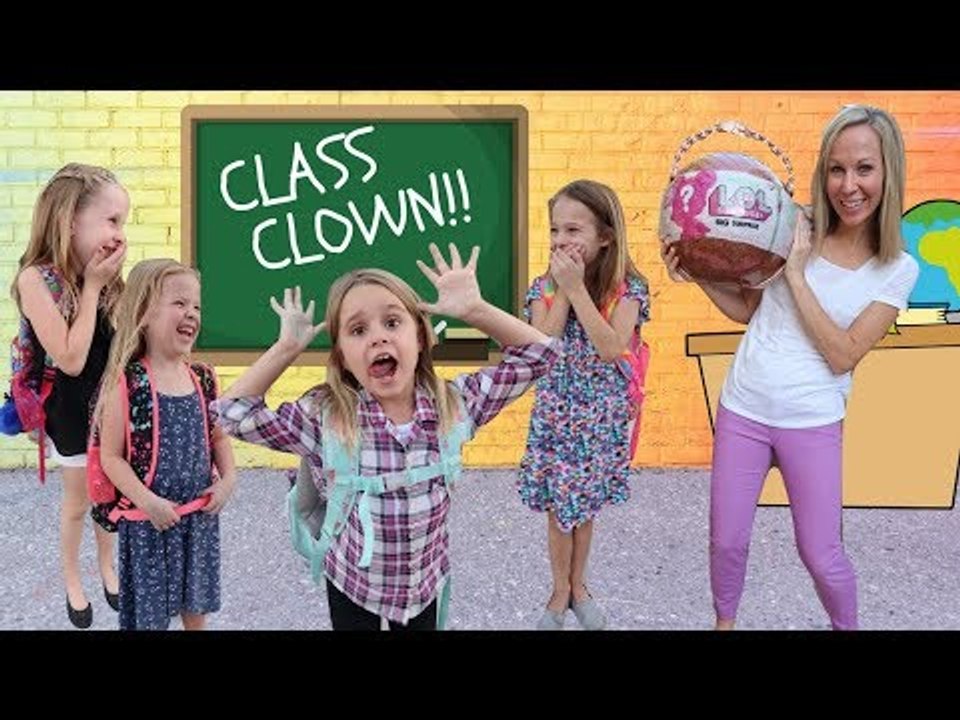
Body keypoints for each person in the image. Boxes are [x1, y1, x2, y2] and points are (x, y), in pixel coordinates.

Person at [661, 104, 920, 630]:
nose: (848, 186)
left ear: (889, 172)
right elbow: (749, 310)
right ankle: (724, 623)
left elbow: (843, 354)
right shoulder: (790, 222)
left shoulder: (896, 268)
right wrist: (696, 273)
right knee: (727, 541)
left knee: (820, 554)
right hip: (744, 408)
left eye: (864, 169)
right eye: (836, 169)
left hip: (812, 421)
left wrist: (796, 274)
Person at [212, 243, 560, 630]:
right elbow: (231, 414)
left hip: (424, 587)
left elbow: (541, 356)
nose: (378, 338)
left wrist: (475, 310)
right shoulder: (325, 419)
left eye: (393, 323)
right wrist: (286, 348)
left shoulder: (456, 406)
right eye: (358, 330)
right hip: (353, 587)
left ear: (421, 337)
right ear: (343, 357)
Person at [518, 179, 651, 631]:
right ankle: (560, 590)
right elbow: (543, 343)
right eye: (555, 230)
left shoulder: (628, 289)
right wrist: (563, 288)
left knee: (585, 505)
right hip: (557, 413)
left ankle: (579, 586)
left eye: (573, 231)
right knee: (559, 509)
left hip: (599, 416)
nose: (561, 241)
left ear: (606, 237)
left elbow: (611, 347)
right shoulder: (543, 288)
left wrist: (578, 291)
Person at [11, 163, 127, 628]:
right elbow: (70, 359)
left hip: (109, 405)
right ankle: (73, 580)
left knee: (109, 495)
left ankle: (107, 566)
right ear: (71, 220)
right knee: (79, 502)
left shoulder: (105, 277)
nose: (120, 233)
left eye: (123, 222)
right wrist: (94, 286)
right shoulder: (36, 280)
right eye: (112, 220)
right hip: (71, 410)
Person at [92, 259, 237, 630]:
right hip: (149, 524)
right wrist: (148, 501)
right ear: (143, 313)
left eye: (197, 306)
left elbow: (217, 436)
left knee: (196, 609)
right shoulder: (128, 382)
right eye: (179, 303)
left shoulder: (203, 378)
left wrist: (228, 480)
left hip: (198, 519)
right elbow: (111, 457)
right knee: (150, 619)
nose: (192, 313)